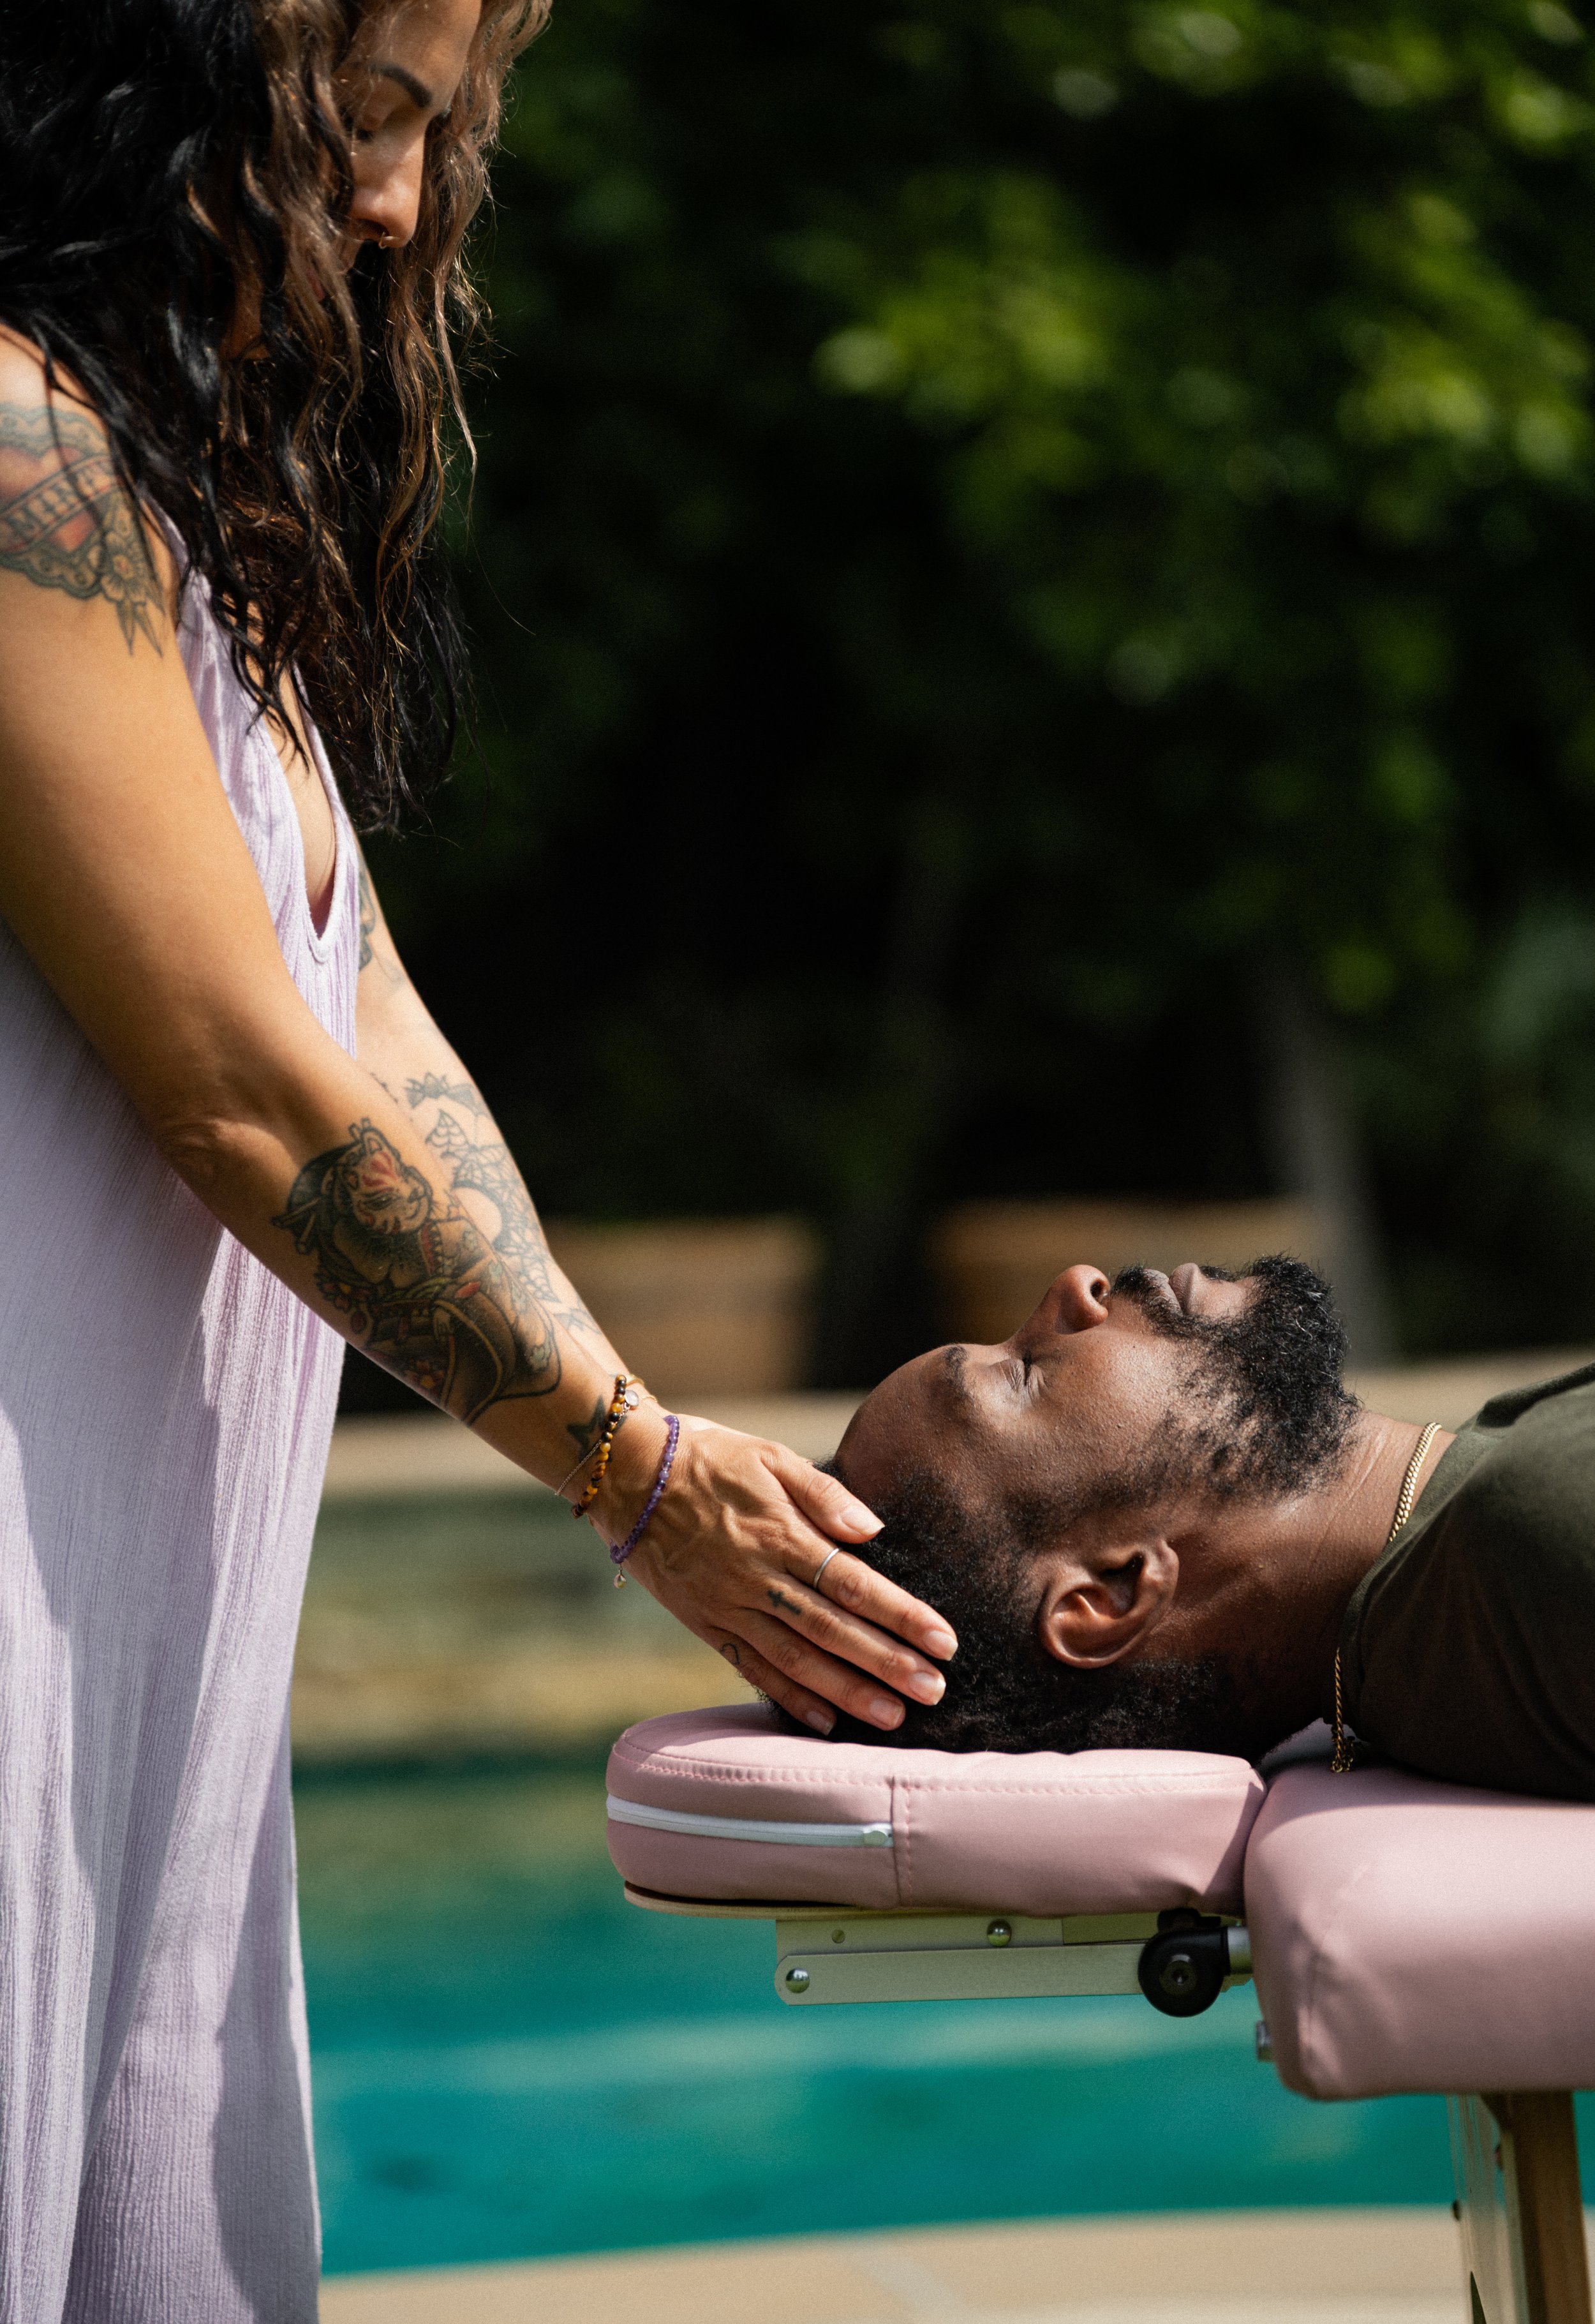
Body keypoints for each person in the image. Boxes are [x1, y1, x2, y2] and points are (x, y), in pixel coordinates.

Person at [0, 3, 956, 2314]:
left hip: (146, 1652)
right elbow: (239, 1079)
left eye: (451, 133)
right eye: (376, 115)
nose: (410, 202)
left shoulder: (155, 492)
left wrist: (651, 1428)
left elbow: (366, 1028)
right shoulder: (15, 452)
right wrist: (630, 1476)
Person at [827, 1253, 1595, 1803]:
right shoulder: (1541, 1528)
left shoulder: (1477, 1563)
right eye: (1024, 1370)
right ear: (1111, 1592)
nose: (1078, 1285)